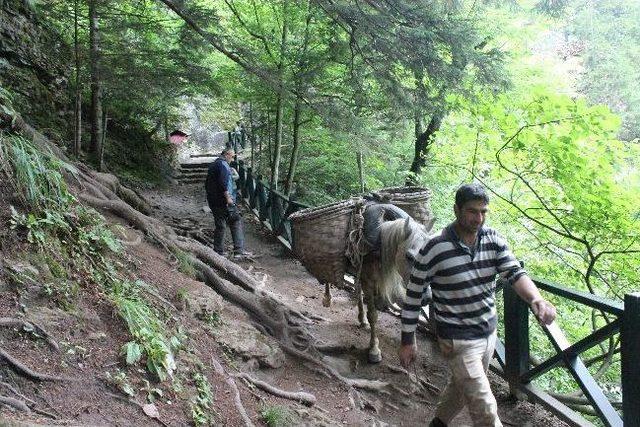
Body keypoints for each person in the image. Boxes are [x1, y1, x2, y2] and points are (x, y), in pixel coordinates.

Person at [398, 183, 556, 427]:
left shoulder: (492, 240)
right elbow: (414, 295)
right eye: (472, 211)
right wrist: (408, 340)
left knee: (462, 389)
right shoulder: (433, 248)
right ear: (456, 210)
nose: (478, 218)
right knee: (485, 408)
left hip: (488, 334)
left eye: (483, 212)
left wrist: (536, 299)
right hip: (457, 340)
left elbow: (514, 273)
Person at [205, 148, 252, 259]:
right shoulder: (223, 165)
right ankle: (239, 251)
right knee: (235, 220)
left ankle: (218, 252)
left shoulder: (215, 164)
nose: (233, 158)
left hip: (214, 201)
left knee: (220, 225)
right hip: (223, 201)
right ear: (226, 155)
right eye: (232, 156)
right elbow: (223, 183)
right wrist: (228, 198)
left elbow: (208, 184)